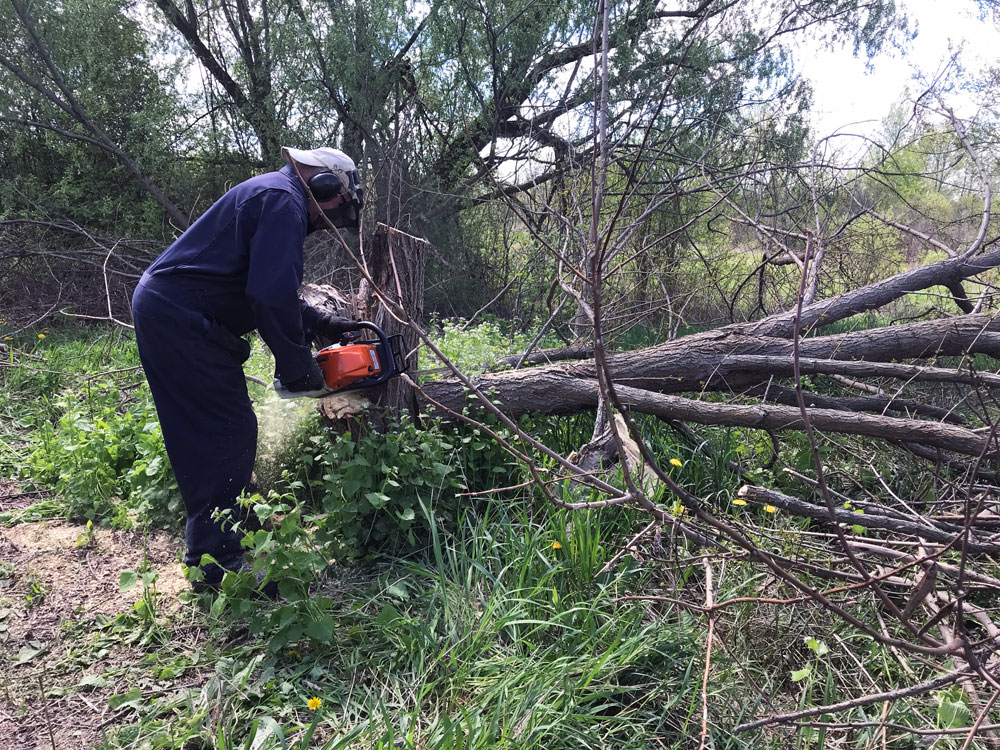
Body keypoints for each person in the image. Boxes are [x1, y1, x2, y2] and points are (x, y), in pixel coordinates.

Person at [131, 146, 364, 594]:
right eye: (336, 206)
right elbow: (268, 296)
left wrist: (321, 323)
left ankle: (235, 529)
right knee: (224, 431)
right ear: (325, 184)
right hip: (180, 319)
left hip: (180, 315)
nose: (329, 220)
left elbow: (261, 285)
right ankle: (217, 566)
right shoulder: (283, 200)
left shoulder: (275, 195)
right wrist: (298, 367)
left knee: (221, 429)